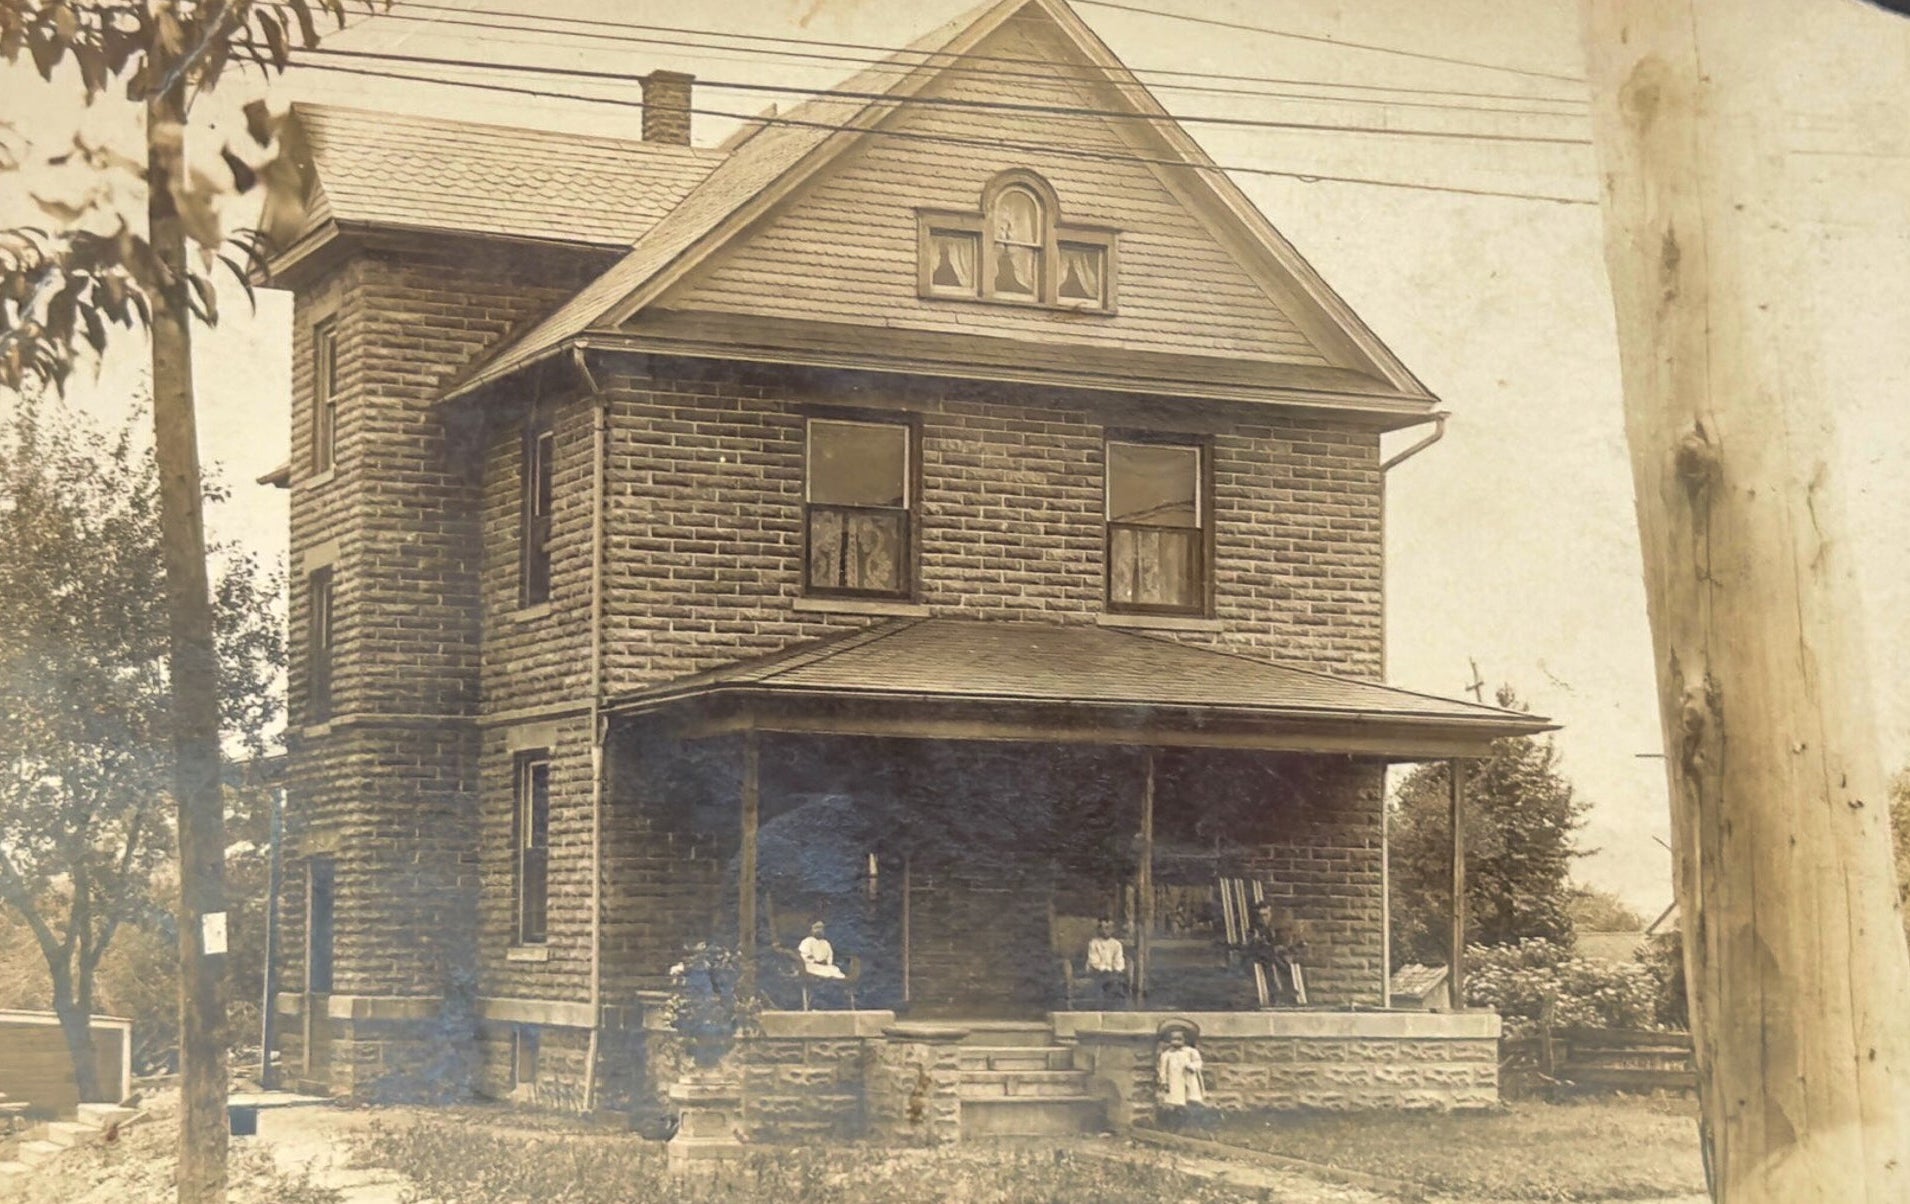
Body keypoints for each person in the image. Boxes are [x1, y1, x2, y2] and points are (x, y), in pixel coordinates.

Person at [1155, 1020, 1205, 1130]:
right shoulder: (1166, 1054)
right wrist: (1164, 1081)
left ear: (1185, 1040)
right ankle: (1175, 1124)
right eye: (1173, 1039)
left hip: (1189, 1078)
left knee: (1191, 1100)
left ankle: (1191, 1125)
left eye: (1179, 1039)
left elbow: (1199, 1063)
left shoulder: (1190, 1052)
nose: (1176, 1042)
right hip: (1175, 1081)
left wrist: (1192, 1067)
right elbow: (1162, 1069)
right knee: (1176, 1102)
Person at [1084, 918, 1128, 1004]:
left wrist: (1116, 969)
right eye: (1104, 928)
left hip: (1113, 972)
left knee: (1116, 980)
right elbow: (1094, 961)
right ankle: (1104, 1001)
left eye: (1109, 928)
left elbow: (1119, 960)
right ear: (1099, 929)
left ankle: (1115, 1001)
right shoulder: (1094, 943)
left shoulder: (1116, 944)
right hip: (1097, 971)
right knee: (1106, 981)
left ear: (1113, 929)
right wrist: (1105, 969)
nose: (1107, 931)